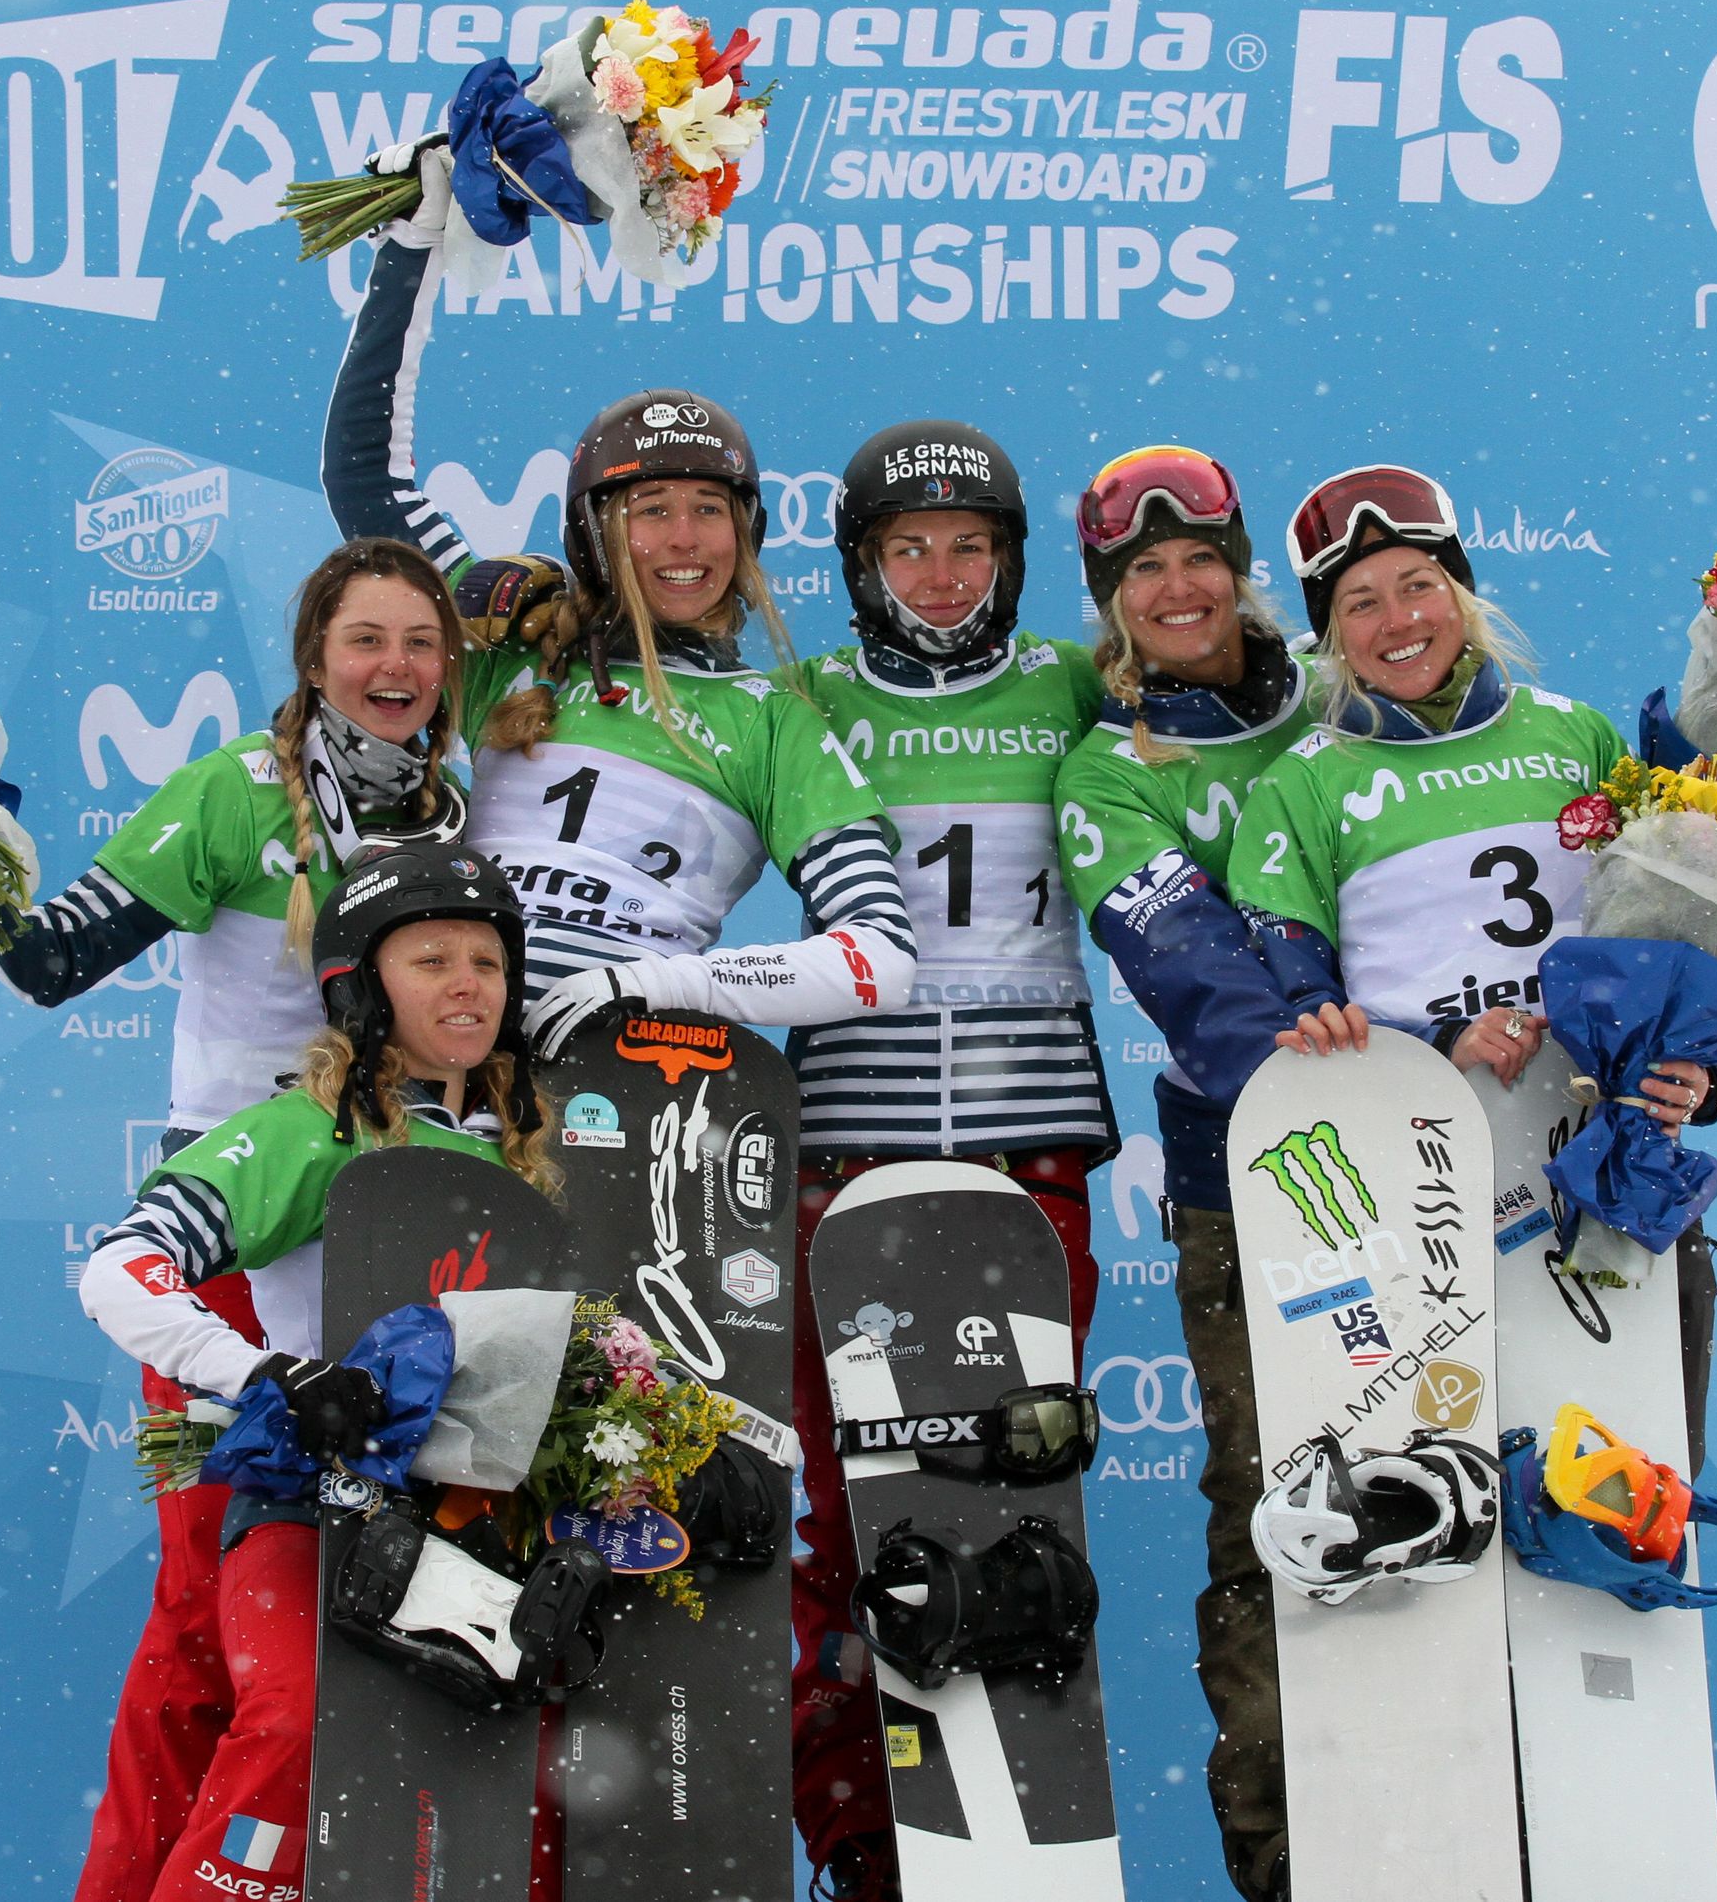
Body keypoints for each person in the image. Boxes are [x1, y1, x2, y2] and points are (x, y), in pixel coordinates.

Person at [0, 536, 467, 1902]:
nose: (394, 668)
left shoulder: (459, 806)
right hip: (237, 1237)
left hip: (393, 1237)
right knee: (204, 1609)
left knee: (335, 1625)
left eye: (420, 644)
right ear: (315, 656)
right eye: (366, 641)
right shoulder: (239, 792)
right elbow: (53, 958)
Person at [321, 164, 918, 1045]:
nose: (686, 540)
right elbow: (367, 476)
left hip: (624, 1084)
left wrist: (658, 983)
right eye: (652, 511)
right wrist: (410, 245)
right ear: (593, 532)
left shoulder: (772, 724)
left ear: (745, 531)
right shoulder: (509, 642)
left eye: (710, 510)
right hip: (452, 1059)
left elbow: (879, 957)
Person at [74, 843, 557, 1902]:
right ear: (362, 986)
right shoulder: (308, 1130)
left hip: (482, 1532)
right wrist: (267, 1373)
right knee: (299, 1717)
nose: (468, 981)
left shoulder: (544, 1149)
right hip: (317, 1512)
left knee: (534, 1776)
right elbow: (122, 1271)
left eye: (488, 957)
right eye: (431, 958)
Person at [1223, 463, 1717, 1450]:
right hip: (1426, 1175)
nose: (1398, 618)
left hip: (1603, 1143)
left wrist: (1694, 1069)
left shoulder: (1575, 734)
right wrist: (1440, 1035)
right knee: (1452, 1478)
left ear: (1462, 592)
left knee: (1633, 1465)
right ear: (1330, 633)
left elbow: (1665, 941)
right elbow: (1298, 1009)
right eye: (1360, 602)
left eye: (1419, 585)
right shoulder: (1303, 785)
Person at [782, 421, 1112, 1901]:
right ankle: (864, 1839)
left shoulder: (1079, 685)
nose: (937, 573)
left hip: (1028, 1153)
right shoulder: (805, 697)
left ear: (1014, 561)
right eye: (906, 547)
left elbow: (1260, 720)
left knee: (1015, 1489)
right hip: (842, 1157)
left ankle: (1024, 1827)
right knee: (849, 1509)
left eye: (969, 544)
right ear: (859, 563)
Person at [1048, 445, 1336, 1902]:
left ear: (1239, 570)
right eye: (1141, 570)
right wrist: (1354, 1068)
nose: (1176, 586)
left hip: (1477, 1165)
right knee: (1281, 1509)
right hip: (1264, 1183)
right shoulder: (1114, 765)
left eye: (1198, 558)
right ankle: (1286, 1861)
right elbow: (1199, 981)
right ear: (1112, 600)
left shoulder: (1359, 699)